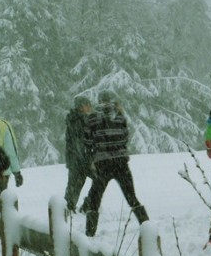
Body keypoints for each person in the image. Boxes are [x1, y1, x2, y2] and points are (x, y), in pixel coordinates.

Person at [82, 91, 149, 237]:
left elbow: (87, 142)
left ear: (99, 100)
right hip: (121, 163)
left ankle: (89, 234)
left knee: (94, 199)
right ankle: (146, 225)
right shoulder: (120, 117)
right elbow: (125, 138)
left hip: (102, 164)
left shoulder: (92, 118)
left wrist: (94, 153)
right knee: (131, 197)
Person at [64, 96, 94, 213]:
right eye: (87, 104)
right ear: (81, 107)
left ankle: (69, 208)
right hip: (80, 160)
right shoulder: (79, 120)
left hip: (76, 159)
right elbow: (79, 143)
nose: (89, 107)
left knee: (74, 186)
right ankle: (80, 206)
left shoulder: (74, 119)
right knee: (98, 181)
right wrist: (87, 160)